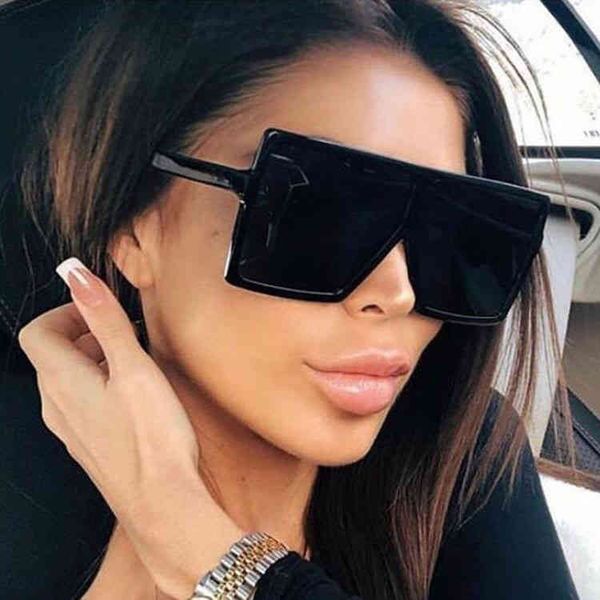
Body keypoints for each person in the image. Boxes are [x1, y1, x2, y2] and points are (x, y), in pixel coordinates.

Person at [12, 0, 591, 599]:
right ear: (132, 229)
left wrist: (199, 546)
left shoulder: (461, 452)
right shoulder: (20, 509)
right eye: (318, 216)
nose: (399, 293)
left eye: (449, 232)